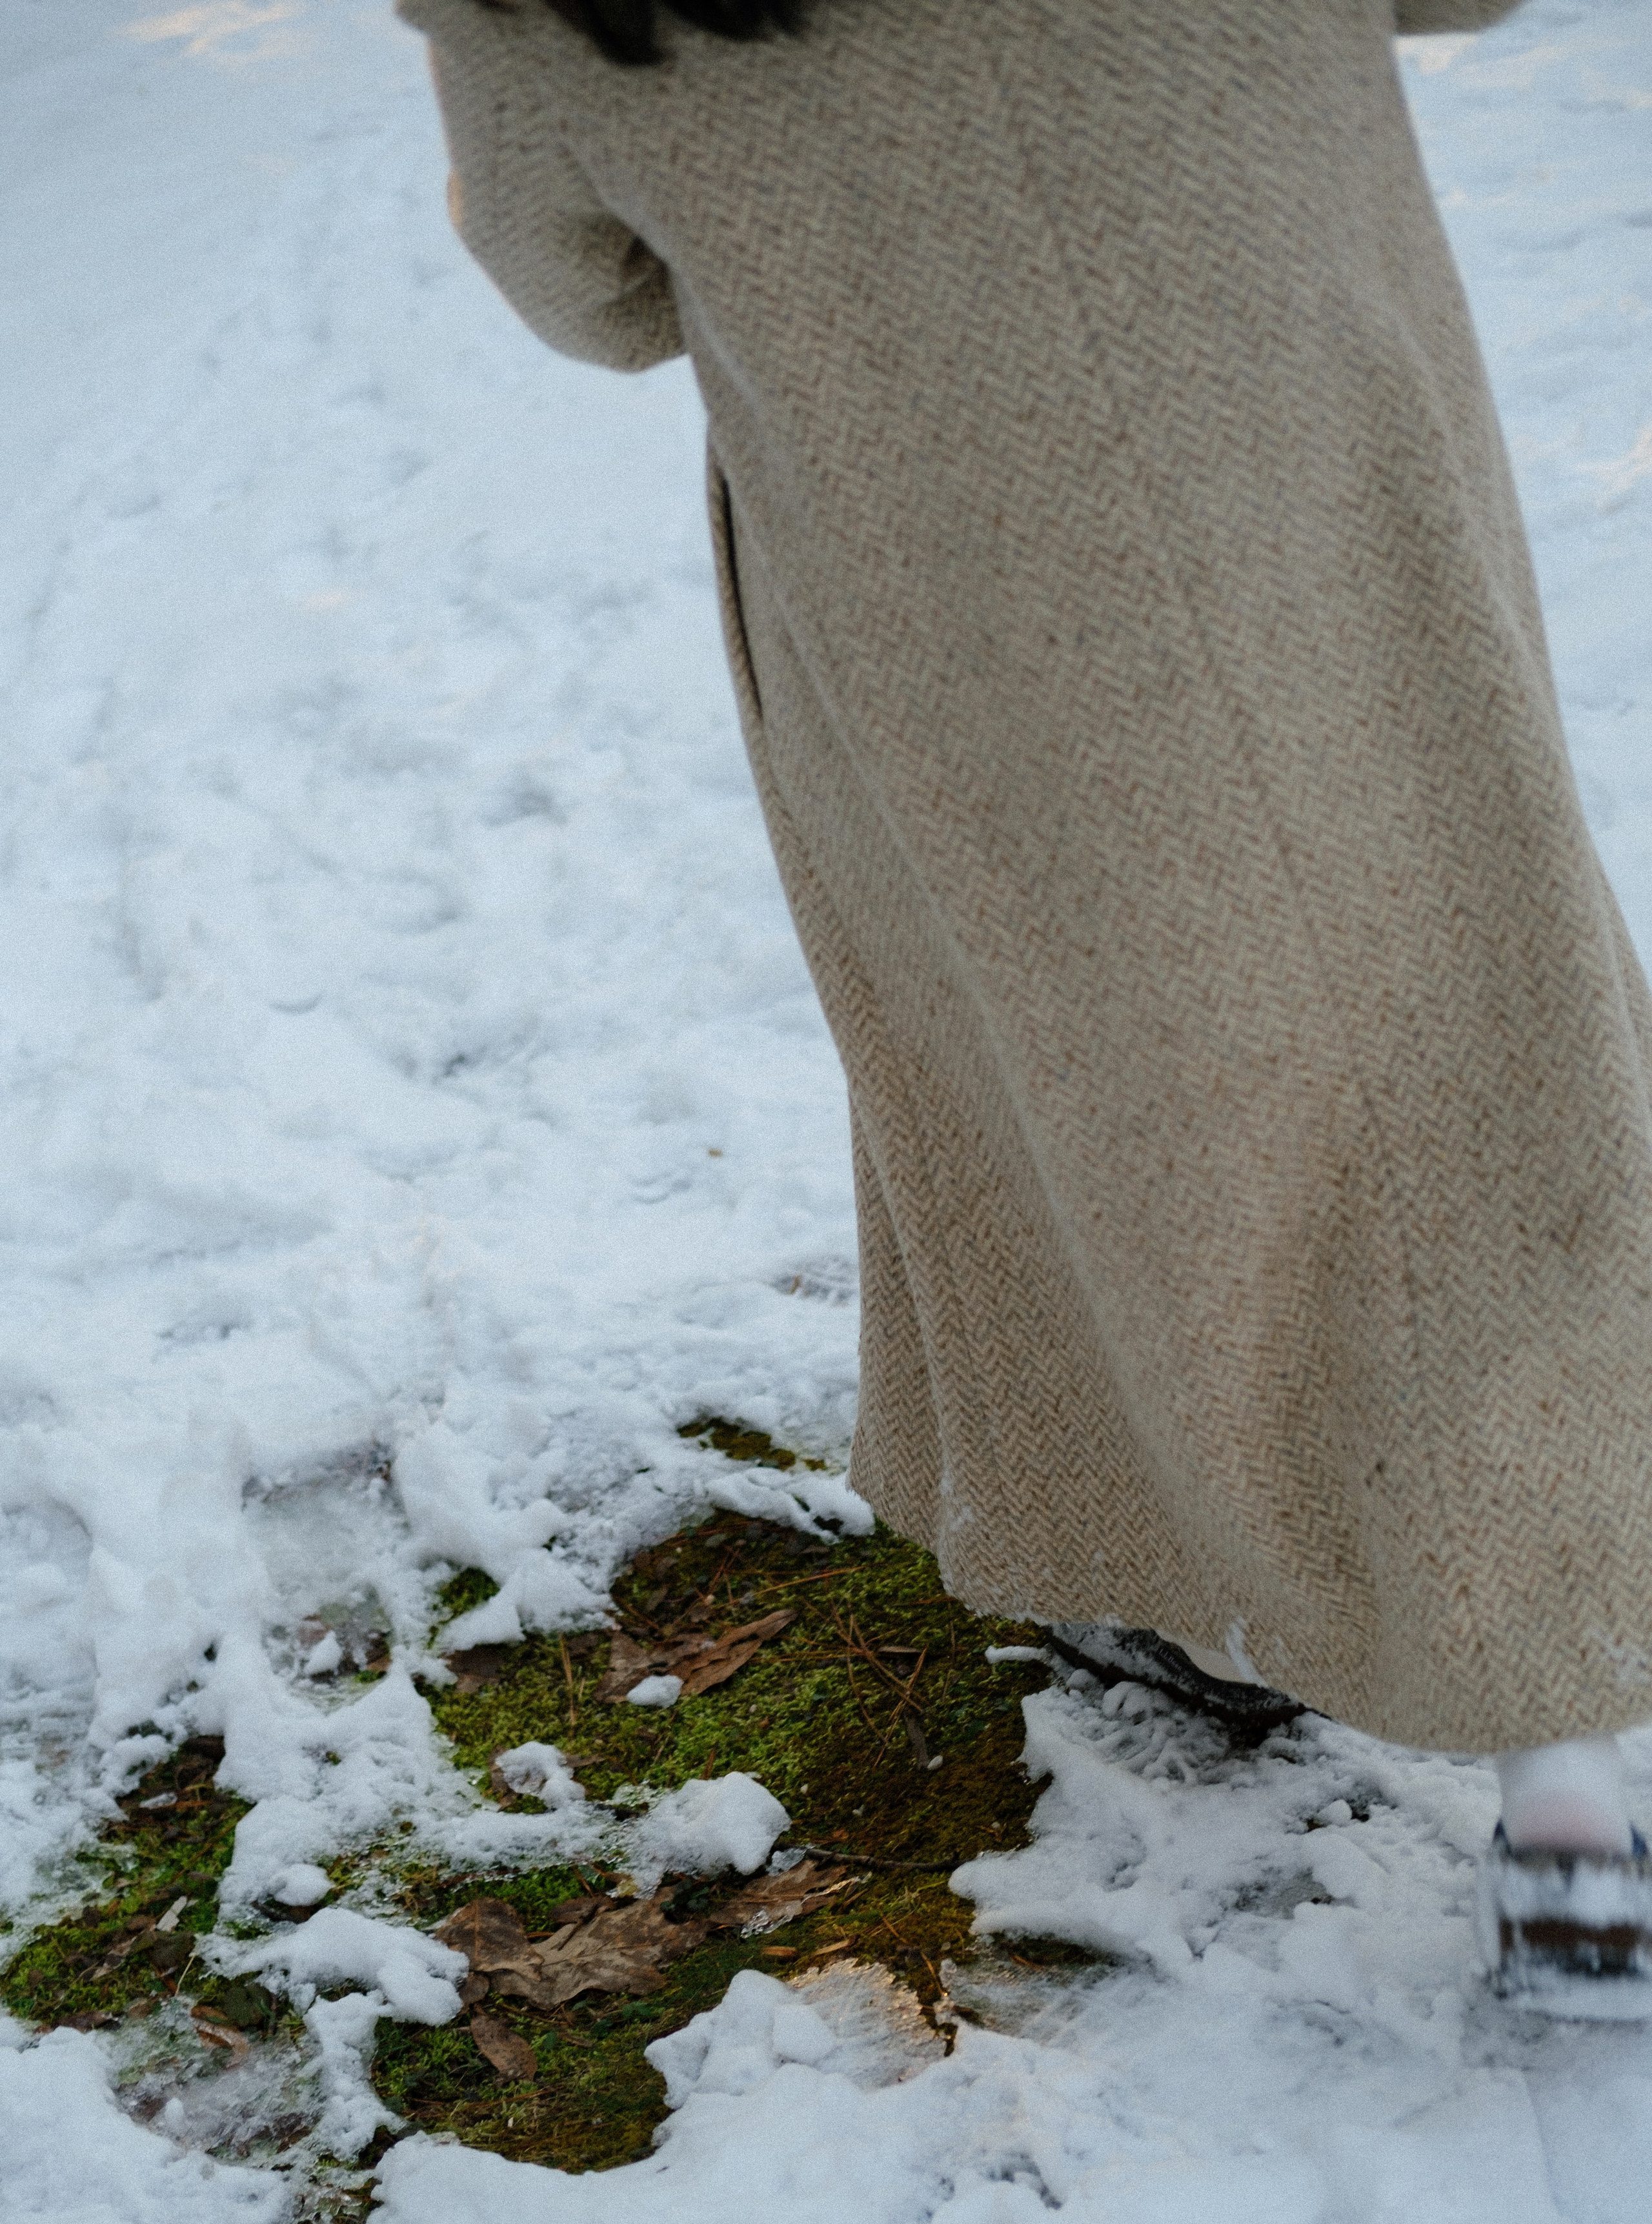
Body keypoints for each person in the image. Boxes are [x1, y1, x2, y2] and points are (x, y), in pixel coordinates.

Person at [397, 0, 1652, 2007]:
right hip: (1312, 497)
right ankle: (1569, 1777)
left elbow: (589, 291)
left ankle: (1158, 1556)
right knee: (1458, 1044)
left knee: (1052, 1075)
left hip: (942, 581)